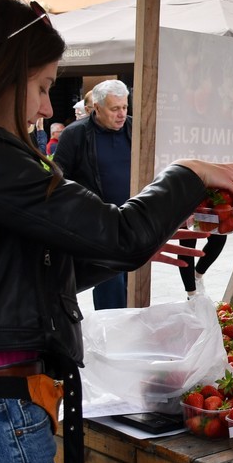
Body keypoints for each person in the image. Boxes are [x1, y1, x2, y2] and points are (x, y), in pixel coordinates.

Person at [0, 0, 233, 463]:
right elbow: (119, 235)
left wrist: (136, 242)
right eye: (43, 86)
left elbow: (19, 272)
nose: (47, 108)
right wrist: (185, 172)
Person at [53, 79, 133, 310]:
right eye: (114, 108)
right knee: (110, 281)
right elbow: (59, 179)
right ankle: (111, 334)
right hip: (98, 224)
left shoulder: (135, 128)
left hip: (132, 220)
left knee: (132, 281)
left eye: (124, 107)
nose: (121, 114)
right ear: (96, 108)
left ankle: (129, 333)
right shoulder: (74, 134)